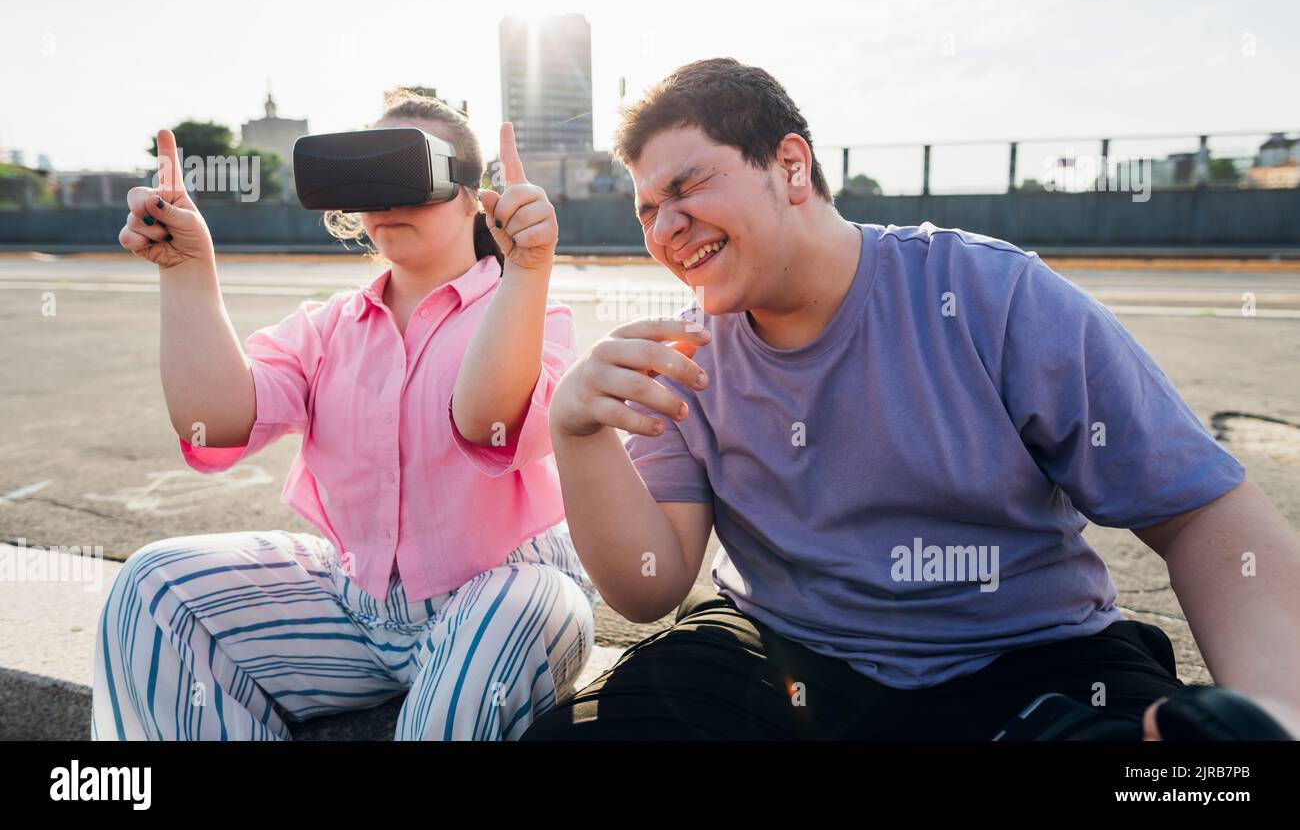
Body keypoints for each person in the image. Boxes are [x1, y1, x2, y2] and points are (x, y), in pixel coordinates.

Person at [523, 59, 1300, 740]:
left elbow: (1200, 510)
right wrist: (577, 431)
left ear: (791, 165)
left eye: (686, 187)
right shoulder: (681, 356)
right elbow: (649, 586)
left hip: (1025, 655)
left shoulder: (991, 295)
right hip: (783, 651)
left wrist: (1273, 711)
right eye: (647, 211)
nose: (665, 227)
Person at [94, 90, 598, 741]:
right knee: (152, 587)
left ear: (471, 193)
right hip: (354, 603)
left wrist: (527, 269)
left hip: (505, 596)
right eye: (367, 175)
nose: (385, 198)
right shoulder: (326, 327)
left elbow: (487, 423)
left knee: (523, 604)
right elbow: (213, 423)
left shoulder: (530, 313)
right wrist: (188, 270)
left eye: (407, 174)